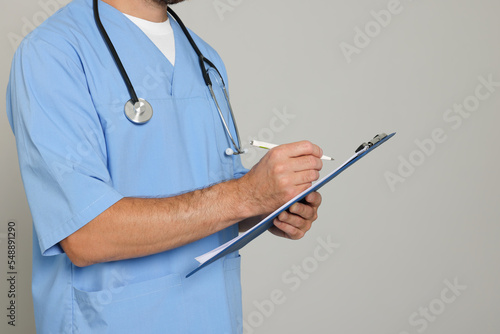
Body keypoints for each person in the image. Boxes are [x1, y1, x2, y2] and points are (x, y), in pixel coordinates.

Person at [6, 0, 323, 332]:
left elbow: (217, 192)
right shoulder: (52, 54)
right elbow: (86, 235)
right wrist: (247, 196)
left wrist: (271, 204)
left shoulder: (204, 58)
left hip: (213, 317)